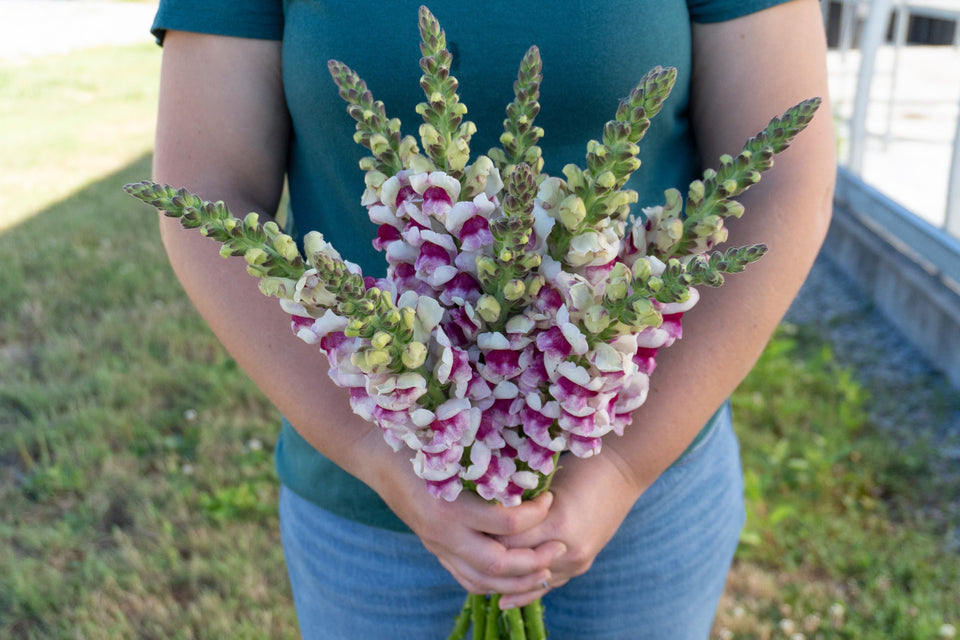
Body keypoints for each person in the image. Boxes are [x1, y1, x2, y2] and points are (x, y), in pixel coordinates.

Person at [148, 1, 835, 637]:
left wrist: (622, 467)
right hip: (370, 508)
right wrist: (375, 451)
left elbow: (784, 178)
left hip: (647, 487)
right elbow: (205, 188)